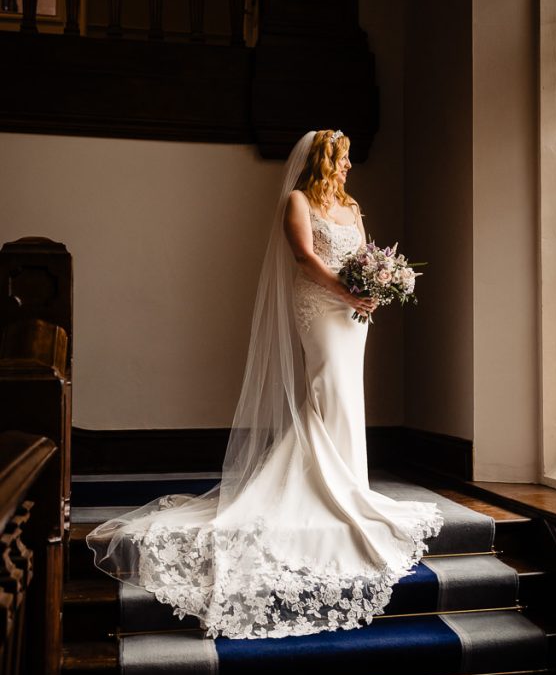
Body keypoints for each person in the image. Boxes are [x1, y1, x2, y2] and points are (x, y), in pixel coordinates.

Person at [87, 129, 443, 639]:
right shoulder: (298, 200)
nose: (346, 169)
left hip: (352, 314)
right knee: (326, 390)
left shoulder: (353, 205)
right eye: (340, 161)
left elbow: (363, 255)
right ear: (323, 160)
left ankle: (348, 484)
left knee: (346, 394)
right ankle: (320, 486)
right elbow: (304, 257)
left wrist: (374, 286)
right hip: (319, 307)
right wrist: (346, 290)